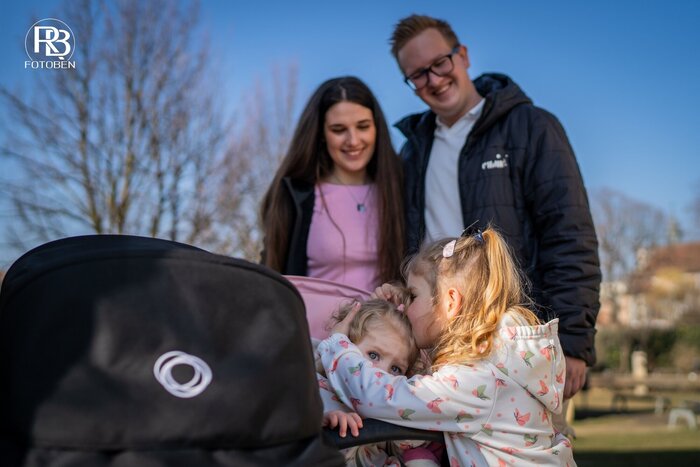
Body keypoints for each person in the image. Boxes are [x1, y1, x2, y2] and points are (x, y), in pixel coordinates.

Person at [389, 14, 601, 402]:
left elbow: (569, 237)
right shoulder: (412, 154)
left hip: (519, 349)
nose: (434, 79)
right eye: (418, 75)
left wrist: (573, 340)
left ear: (463, 55)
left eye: (440, 63)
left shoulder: (531, 127)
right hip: (436, 355)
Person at [319, 227, 576, 466]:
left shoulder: (476, 378)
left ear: (450, 301)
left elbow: (378, 397)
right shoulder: (503, 360)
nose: (406, 307)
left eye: (413, 296)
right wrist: (392, 318)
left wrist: (338, 344)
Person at [260, 76, 405, 291]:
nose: (353, 140)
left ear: (376, 128)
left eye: (363, 126)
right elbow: (272, 276)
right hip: (311, 314)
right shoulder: (295, 195)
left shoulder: (403, 188)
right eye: (338, 129)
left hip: (386, 314)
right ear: (321, 134)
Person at [315, 297, 441, 467]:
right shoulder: (312, 385)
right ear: (346, 345)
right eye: (373, 355)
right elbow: (287, 428)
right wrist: (320, 420)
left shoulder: (386, 404)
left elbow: (399, 446)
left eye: (395, 368)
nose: (382, 373)